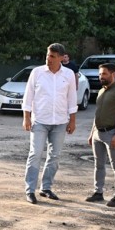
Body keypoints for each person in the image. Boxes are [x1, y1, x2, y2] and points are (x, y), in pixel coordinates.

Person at [21, 43, 78, 204]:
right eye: (47, 55)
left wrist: (72, 121)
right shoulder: (37, 72)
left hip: (60, 122)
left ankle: (46, 188)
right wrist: (26, 117)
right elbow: (28, 96)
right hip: (39, 121)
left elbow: (72, 98)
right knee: (35, 154)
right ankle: (30, 190)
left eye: (52, 56)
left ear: (61, 57)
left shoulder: (68, 75)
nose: (49, 59)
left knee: (54, 156)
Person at [85, 63, 115, 207]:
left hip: (112, 133)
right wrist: (92, 133)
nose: (101, 77)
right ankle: (98, 192)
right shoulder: (101, 91)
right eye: (100, 74)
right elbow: (97, 113)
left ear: (113, 74)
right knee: (98, 165)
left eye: (104, 74)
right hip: (98, 133)